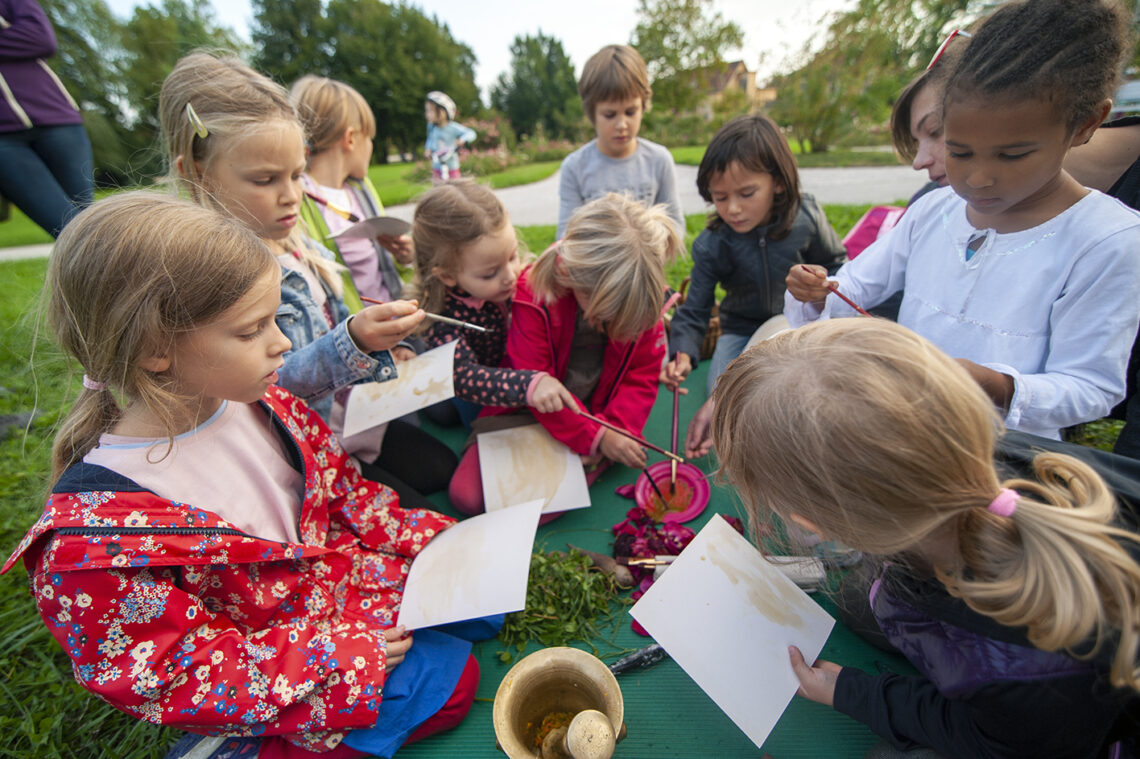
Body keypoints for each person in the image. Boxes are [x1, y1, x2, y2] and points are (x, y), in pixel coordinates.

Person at [2, 192, 483, 759]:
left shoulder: (267, 405)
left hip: (336, 592)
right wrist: (337, 656)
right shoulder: (93, 545)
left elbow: (345, 494)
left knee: (482, 605)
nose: (282, 344)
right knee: (453, 685)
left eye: (275, 320)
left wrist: (430, 542)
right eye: (252, 330)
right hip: (278, 667)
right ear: (158, 349)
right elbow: (176, 670)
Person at [712, 317, 1140, 758]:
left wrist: (856, 693)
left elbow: (995, 743)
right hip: (1017, 682)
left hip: (1048, 737)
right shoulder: (982, 464)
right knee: (860, 604)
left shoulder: (1028, 669)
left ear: (812, 523)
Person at [784, 0, 1140, 442]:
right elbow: (853, 287)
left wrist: (996, 385)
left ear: (1085, 125)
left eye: (1013, 155)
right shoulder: (934, 211)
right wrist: (818, 293)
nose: (978, 177)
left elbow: (1091, 386)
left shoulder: (1106, 241)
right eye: (959, 150)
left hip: (1013, 463)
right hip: (912, 438)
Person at [159, 53, 456, 507]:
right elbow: (265, 394)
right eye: (266, 179)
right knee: (419, 513)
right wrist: (352, 343)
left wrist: (378, 338)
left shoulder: (298, 245)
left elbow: (334, 318)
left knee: (442, 471)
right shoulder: (218, 283)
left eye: (298, 174)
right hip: (301, 449)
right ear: (197, 172)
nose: (293, 195)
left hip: (349, 419)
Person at [448, 193, 682, 516]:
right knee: (467, 496)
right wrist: (596, 438)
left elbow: (640, 377)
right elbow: (534, 381)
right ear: (573, 277)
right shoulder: (535, 294)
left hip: (597, 415)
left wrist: (613, 431)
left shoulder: (642, 298)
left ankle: (588, 463)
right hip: (531, 412)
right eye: (608, 315)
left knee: (537, 508)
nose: (613, 326)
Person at [662, 113, 846, 400]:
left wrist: (824, 283)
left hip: (801, 324)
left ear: (779, 183)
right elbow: (695, 309)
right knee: (723, 397)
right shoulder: (712, 244)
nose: (733, 208)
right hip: (739, 330)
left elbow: (837, 265)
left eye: (746, 193)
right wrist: (682, 353)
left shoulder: (806, 217)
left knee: (814, 392)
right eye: (720, 197)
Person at [407, 180, 577, 430]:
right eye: (489, 274)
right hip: (476, 389)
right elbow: (463, 378)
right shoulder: (442, 318)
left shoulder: (512, 279)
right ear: (447, 275)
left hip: (512, 371)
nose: (510, 275)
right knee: (455, 416)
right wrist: (527, 385)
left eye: (512, 256)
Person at [291, 74, 413, 305]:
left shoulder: (360, 189)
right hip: (352, 333)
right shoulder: (299, 197)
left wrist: (403, 257)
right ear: (350, 139)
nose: (372, 146)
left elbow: (379, 260)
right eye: (370, 138)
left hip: (392, 317)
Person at [556, 44, 683, 238]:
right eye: (610, 114)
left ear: (643, 106)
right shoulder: (575, 167)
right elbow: (565, 235)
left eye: (631, 112)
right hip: (596, 267)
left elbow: (675, 225)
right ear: (592, 113)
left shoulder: (659, 160)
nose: (622, 124)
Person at [0, 0, 93, 237]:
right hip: (3, 140)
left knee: (91, 220)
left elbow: (40, 38)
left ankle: (125, 270)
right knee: (66, 227)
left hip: (57, 120)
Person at [423, 91, 474, 182]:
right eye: (426, 111)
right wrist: (428, 150)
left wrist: (462, 140)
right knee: (438, 190)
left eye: (430, 110)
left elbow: (471, 133)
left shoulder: (452, 127)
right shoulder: (432, 128)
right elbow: (430, 140)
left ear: (443, 111)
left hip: (452, 166)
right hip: (437, 167)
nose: (427, 114)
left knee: (455, 188)